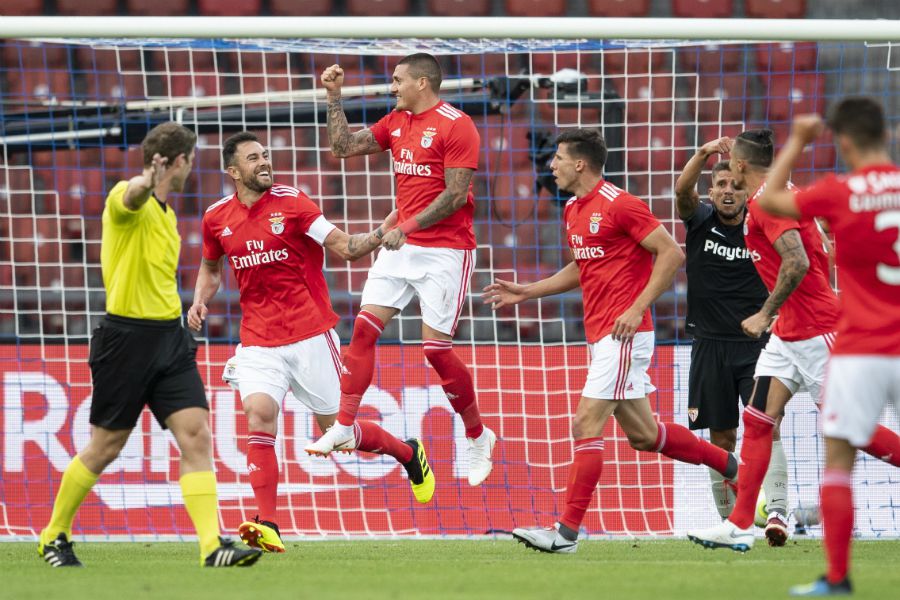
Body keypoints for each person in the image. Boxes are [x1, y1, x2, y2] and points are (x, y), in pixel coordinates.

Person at [482, 128, 738, 553]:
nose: (552, 166)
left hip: (625, 334)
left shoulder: (621, 205)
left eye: (559, 159)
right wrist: (529, 290)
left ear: (579, 163)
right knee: (644, 435)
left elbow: (672, 253)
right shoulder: (572, 209)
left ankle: (565, 535)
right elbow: (582, 267)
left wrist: (637, 307)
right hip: (602, 335)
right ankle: (734, 467)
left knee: (584, 423)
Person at [188, 131, 434, 554]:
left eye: (266, 155)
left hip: (310, 336)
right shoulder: (216, 217)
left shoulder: (294, 203)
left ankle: (408, 453)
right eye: (253, 158)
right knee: (259, 415)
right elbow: (211, 268)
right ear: (233, 171)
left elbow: (346, 248)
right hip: (258, 340)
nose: (264, 162)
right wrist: (199, 301)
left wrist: (380, 233)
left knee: (338, 433)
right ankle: (269, 524)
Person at [38, 122, 261, 568]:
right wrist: (143, 180)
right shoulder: (128, 200)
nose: (192, 168)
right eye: (191, 160)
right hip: (125, 340)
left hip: (169, 340)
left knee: (196, 434)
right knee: (106, 446)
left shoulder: (167, 214)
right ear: (177, 163)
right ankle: (52, 534)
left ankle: (211, 547)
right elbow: (130, 197)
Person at [686, 127, 900, 556]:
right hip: (788, 335)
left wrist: (766, 311)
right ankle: (740, 523)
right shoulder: (779, 193)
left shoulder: (768, 202)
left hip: (817, 331)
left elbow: (798, 260)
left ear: (741, 165)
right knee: (758, 421)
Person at [304, 53, 496, 487]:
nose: (391, 87)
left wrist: (405, 226)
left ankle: (478, 436)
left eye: (397, 80)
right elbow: (342, 147)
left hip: (445, 251)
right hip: (401, 246)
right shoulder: (396, 121)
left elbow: (455, 195)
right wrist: (333, 98)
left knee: (435, 351)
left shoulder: (457, 124)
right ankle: (344, 423)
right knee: (364, 330)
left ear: (422, 83)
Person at [757, 98, 900, 597]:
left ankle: (837, 579)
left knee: (839, 459)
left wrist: (797, 138)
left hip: (860, 345)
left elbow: (770, 199)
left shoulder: (839, 191)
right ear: (887, 133)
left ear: (842, 141)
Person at [674, 138, 787, 536]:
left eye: (735, 186)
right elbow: (680, 191)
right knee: (721, 437)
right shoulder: (698, 220)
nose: (727, 191)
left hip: (758, 346)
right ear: (711, 191)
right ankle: (728, 523)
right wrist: (703, 153)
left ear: (746, 190)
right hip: (708, 345)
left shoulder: (762, 223)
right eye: (720, 185)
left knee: (766, 425)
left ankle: (777, 512)